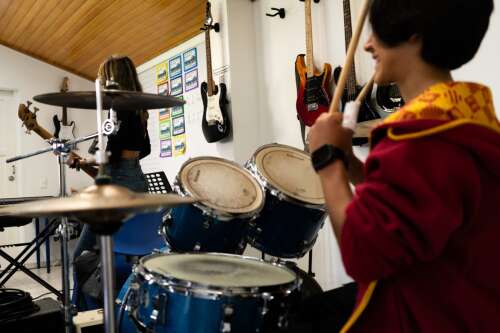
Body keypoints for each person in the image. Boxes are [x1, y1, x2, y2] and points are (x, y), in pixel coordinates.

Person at [290, 0, 499, 332]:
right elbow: (412, 208)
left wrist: (327, 163)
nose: (369, 44)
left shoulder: (420, 139)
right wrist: (353, 167)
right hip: (466, 302)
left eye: (377, 33)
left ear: (415, 34)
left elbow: (362, 254)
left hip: (427, 313)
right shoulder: (468, 119)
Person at [69, 55, 151, 310]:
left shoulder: (118, 108)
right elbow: (144, 149)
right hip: (138, 179)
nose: (100, 82)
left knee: (80, 256)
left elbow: (112, 155)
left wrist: (84, 160)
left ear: (111, 78)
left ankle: (79, 315)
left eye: (102, 76)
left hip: (120, 182)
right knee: (126, 255)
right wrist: (93, 161)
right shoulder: (139, 109)